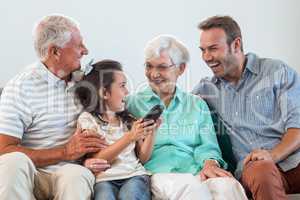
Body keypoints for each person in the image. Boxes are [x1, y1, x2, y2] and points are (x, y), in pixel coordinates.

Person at [0, 14, 109, 200]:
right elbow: (3, 149)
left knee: (76, 175)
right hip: (31, 175)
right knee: (12, 162)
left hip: (68, 174)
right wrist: (64, 152)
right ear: (55, 52)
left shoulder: (87, 82)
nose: (86, 50)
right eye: (79, 45)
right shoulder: (21, 87)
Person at [126, 35, 247, 200]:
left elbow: (208, 145)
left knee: (228, 186)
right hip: (157, 173)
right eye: (149, 66)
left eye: (162, 67)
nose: (154, 74)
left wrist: (209, 163)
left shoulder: (197, 105)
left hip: (194, 170)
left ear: (181, 68)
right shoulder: (131, 104)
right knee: (190, 187)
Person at [192, 15, 300, 200]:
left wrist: (272, 155)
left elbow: (297, 124)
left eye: (213, 49)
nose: (207, 57)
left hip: (292, 158)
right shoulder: (205, 90)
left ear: (236, 44)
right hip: (255, 169)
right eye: (203, 50)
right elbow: (175, 111)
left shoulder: (276, 71)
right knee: (261, 169)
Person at [74, 60, 160, 200]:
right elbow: (98, 159)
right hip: (104, 179)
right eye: (122, 86)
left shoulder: (128, 120)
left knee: (130, 196)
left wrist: (152, 132)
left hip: (134, 175)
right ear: (104, 93)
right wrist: (129, 138)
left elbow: (142, 158)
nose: (127, 92)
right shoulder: (88, 120)